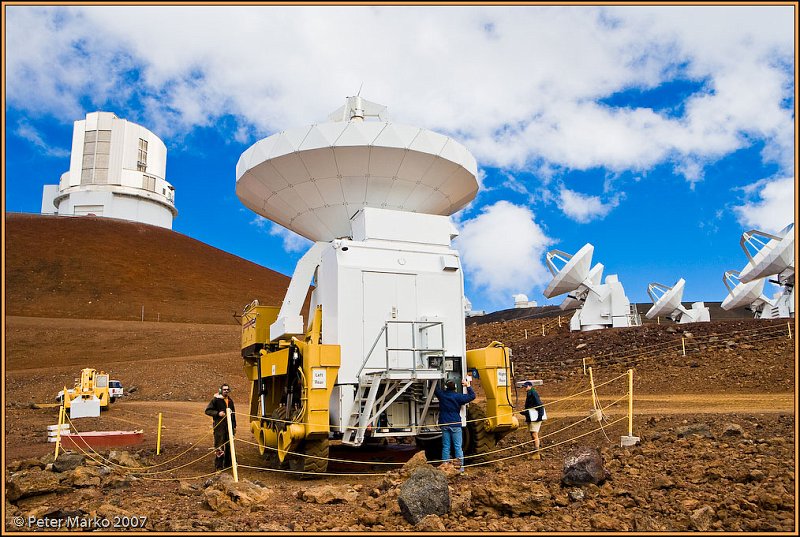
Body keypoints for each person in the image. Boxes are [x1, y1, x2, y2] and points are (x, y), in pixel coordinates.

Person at [434, 378, 475, 472]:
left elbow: (435, 389)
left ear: (446, 387)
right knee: (457, 447)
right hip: (456, 424)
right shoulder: (458, 397)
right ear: (455, 387)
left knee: (446, 446)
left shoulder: (442, 395)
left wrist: (435, 377)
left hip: (444, 423)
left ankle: (445, 467)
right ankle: (460, 468)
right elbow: (472, 396)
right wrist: (467, 385)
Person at [205, 383, 237, 470]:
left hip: (229, 427)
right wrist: (218, 413)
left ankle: (228, 465)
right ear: (221, 390)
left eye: (227, 389)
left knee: (229, 446)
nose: (226, 391)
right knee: (219, 446)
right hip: (219, 426)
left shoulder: (230, 401)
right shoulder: (216, 400)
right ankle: (219, 466)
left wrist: (234, 426)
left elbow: (233, 415)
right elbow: (208, 410)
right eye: (224, 389)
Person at [522, 380, 546, 459]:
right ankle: (536, 450)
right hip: (531, 416)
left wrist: (540, 416)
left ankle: (537, 452)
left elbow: (539, 404)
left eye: (526, 386)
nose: (524, 388)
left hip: (535, 417)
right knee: (533, 434)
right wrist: (525, 413)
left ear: (530, 386)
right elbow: (531, 406)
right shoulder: (530, 393)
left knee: (534, 434)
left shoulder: (533, 393)